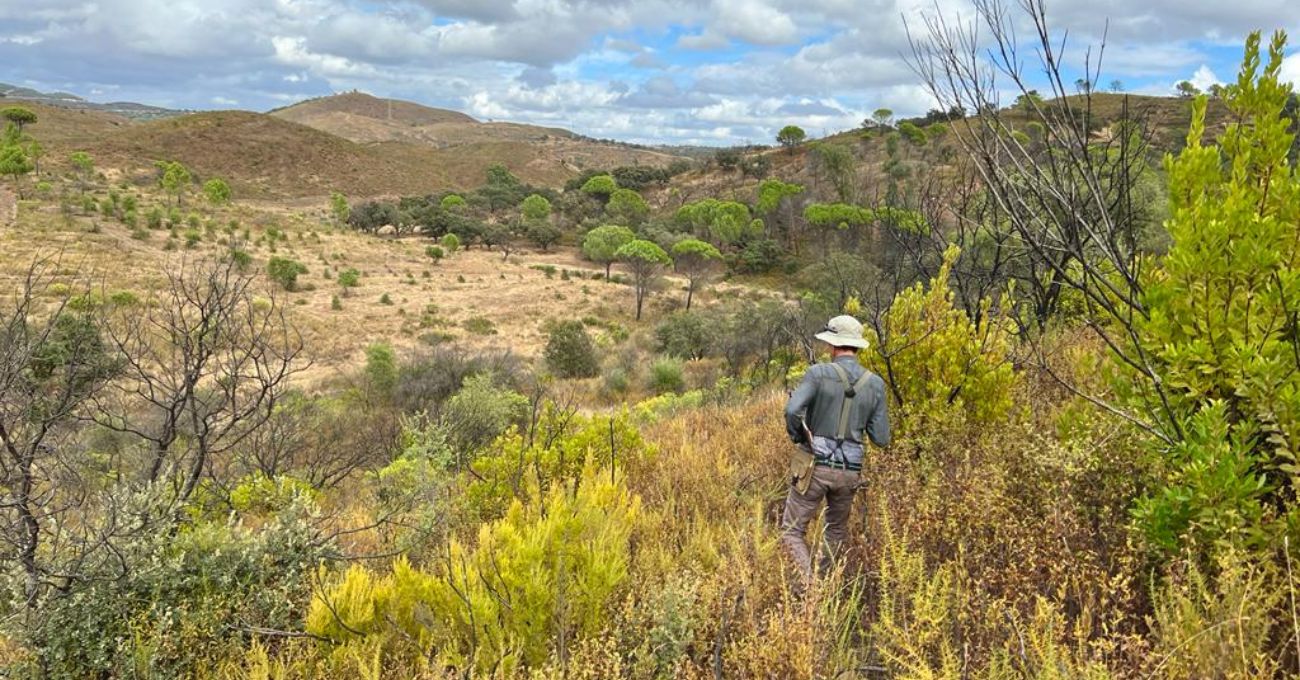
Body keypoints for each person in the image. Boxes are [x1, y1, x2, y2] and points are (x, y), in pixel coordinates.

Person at [781, 314, 890, 585]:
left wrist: (801, 437)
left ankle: (809, 591)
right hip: (850, 472)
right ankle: (828, 586)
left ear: (832, 345)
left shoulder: (818, 373)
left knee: (792, 532)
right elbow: (882, 438)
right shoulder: (875, 384)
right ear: (856, 346)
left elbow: (793, 410)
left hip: (815, 468)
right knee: (836, 530)